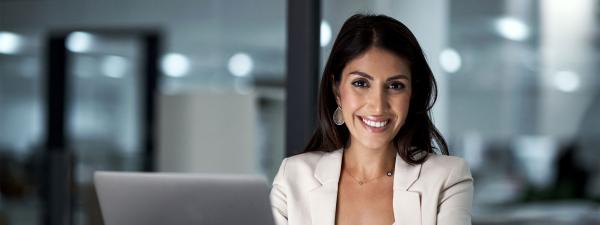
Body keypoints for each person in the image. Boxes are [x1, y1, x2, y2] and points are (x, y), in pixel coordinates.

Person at [270, 14, 473, 225]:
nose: (377, 105)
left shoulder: (447, 179)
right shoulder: (293, 177)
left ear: (412, 94)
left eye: (395, 86)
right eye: (360, 83)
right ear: (337, 90)